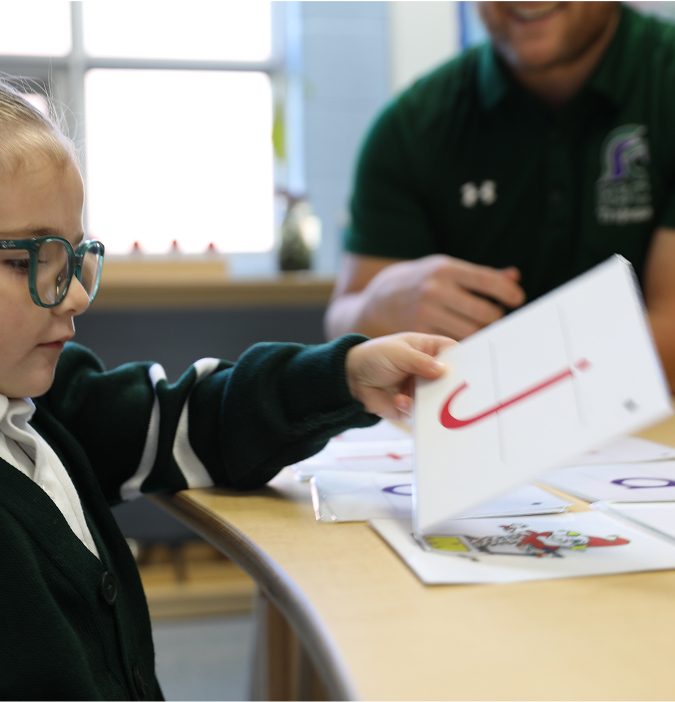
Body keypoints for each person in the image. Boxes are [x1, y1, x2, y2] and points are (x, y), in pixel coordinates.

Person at [0, 79, 454, 700]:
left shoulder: (45, 405)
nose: (76, 294)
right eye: (27, 262)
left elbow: (184, 417)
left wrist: (343, 376)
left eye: (76, 258)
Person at [325, 1, 675, 389]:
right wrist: (379, 307)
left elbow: (671, 332)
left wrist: (495, 365)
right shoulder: (411, 126)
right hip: (468, 434)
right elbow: (346, 324)